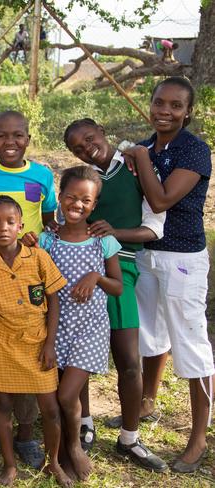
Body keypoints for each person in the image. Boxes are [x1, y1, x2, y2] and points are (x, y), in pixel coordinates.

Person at [63, 118, 167, 472]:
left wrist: (116, 231)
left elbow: (153, 228)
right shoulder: (84, 178)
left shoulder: (135, 167)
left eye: (89, 138)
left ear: (102, 132)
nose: (86, 147)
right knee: (78, 352)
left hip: (121, 268)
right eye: (77, 147)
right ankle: (85, 423)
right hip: (81, 270)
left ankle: (130, 437)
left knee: (129, 358)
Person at [122, 77, 214, 473]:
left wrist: (139, 158)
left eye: (175, 106)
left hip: (182, 259)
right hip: (147, 253)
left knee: (191, 346)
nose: (165, 110)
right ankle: (146, 402)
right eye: (159, 102)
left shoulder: (195, 151)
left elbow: (160, 199)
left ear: (187, 112)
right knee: (151, 333)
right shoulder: (148, 144)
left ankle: (197, 438)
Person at [0, 110, 56, 468]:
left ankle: (27, 434)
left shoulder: (42, 175)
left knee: (31, 353)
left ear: (28, 138)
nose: (9, 143)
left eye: (17, 135)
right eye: (1, 136)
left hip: (30, 270)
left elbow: (50, 220)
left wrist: (41, 239)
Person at [0, 196, 69, 487]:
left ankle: (53, 463)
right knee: (2, 405)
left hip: (37, 340)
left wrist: (50, 343)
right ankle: (9, 465)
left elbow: (53, 301)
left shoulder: (38, 257)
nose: (3, 228)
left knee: (50, 408)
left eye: (10, 222)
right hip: (2, 342)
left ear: (21, 226)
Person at [39, 166, 123, 481]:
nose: (77, 204)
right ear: (59, 199)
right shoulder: (49, 240)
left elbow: (118, 286)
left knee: (66, 394)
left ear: (94, 204)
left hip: (90, 329)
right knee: (59, 394)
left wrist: (96, 276)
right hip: (55, 328)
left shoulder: (103, 240)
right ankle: (58, 453)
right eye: (70, 197)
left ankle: (74, 447)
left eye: (85, 200)